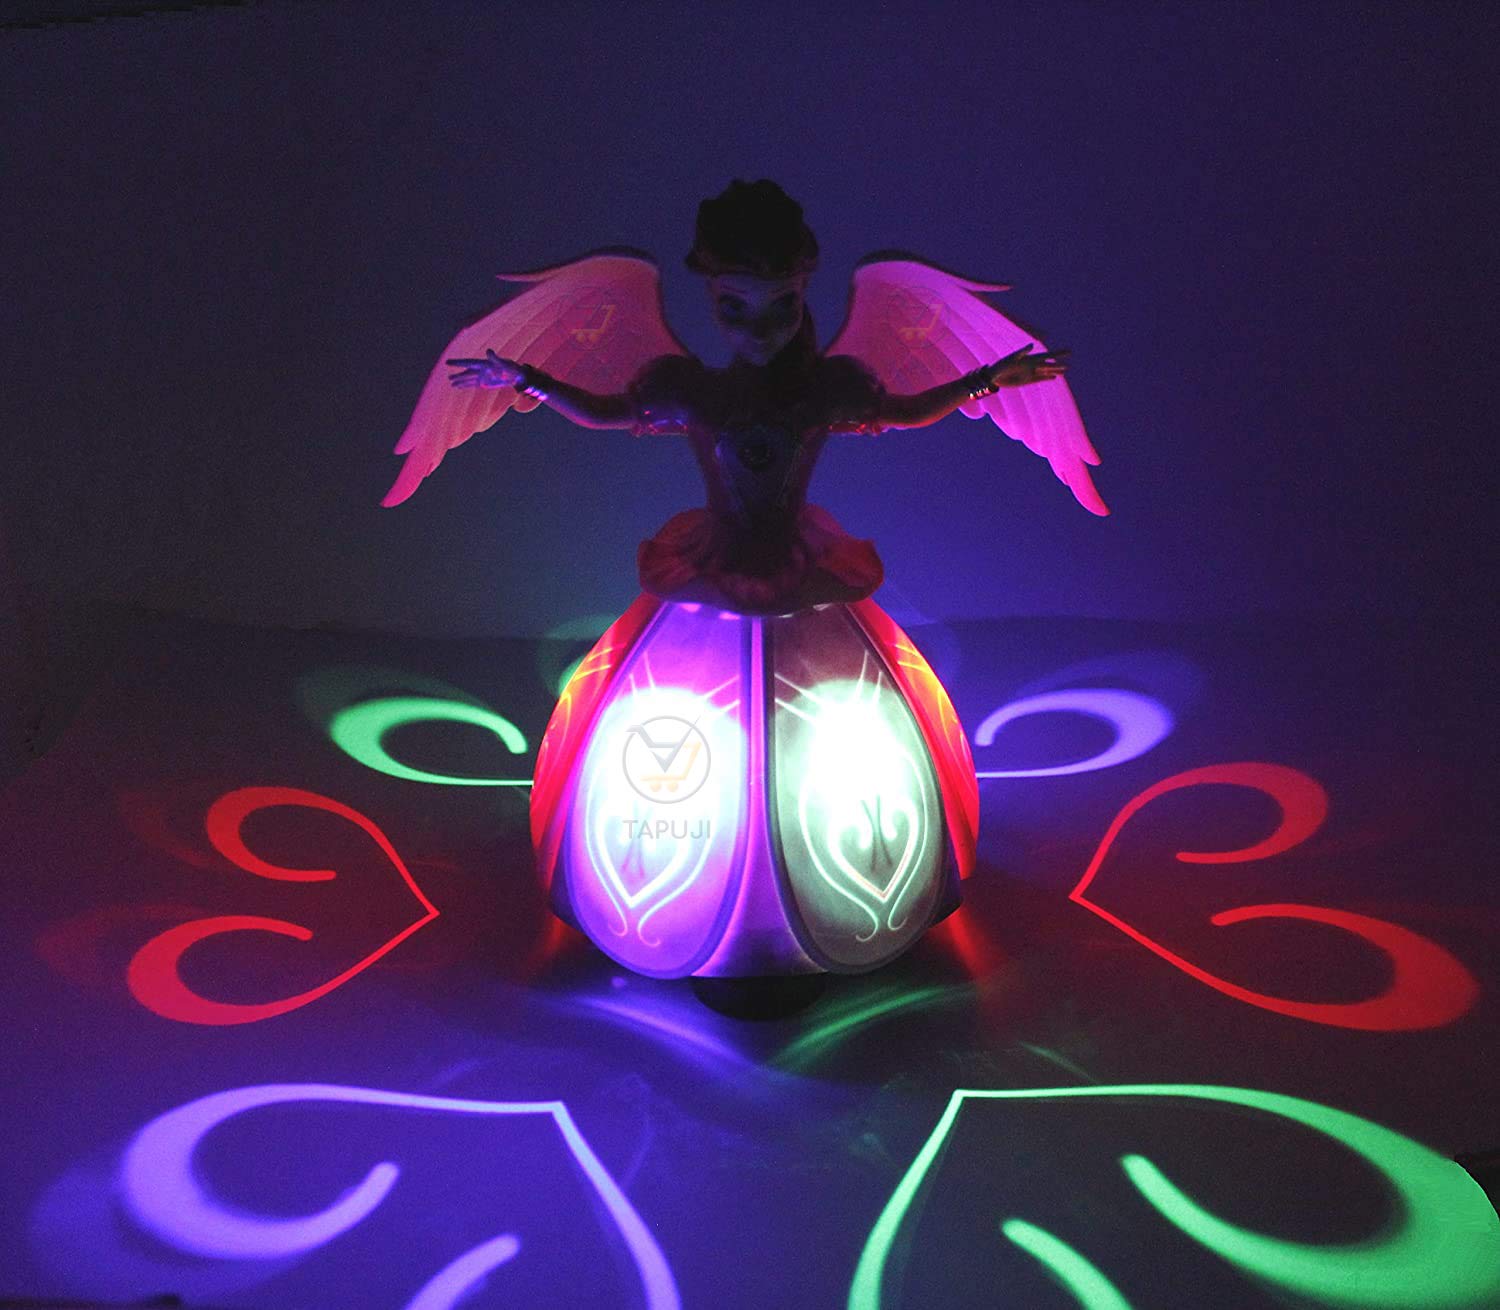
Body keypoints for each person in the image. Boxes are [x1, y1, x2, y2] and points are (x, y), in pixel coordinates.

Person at [393, 179, 1098, 999]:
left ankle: (819, 900)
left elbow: (907, 410)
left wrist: (989, 380)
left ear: (804, 295)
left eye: (780, 308)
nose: (759, 332)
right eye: (736, 310)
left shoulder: (827, 387)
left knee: (822, 735)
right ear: (711, 302)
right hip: (715, 566)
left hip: (800, 567)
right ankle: (700, 894)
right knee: (683, 737)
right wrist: (527, 378)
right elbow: (606, 410)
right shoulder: (691, 389)